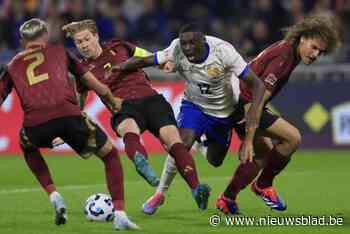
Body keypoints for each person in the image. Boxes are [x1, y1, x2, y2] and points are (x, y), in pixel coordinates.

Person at [113, 23, 266, 215]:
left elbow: (257, 85)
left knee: (215, 160)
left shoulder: (223, 52)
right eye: (184, 44)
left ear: (203, 40)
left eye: (192, 43)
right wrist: (119, 67)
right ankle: (159, 194)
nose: (187, 48)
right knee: (179, 145)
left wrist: (253, 112)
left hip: (224, 113)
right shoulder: (176, 48)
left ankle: (201, 144)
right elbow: (146, 60)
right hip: (194, 106)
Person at [0, 18, 138, 230]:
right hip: (69, 115)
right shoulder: (60, 51)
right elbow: (91, 81)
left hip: (35, 123)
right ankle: (120, 213)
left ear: (22, 40)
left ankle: (54, 194)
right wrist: (111, 99)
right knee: (110, 155)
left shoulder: (12, 65)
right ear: (45, 35)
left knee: (27, 145)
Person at [62, 20, 211, 211]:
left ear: (96, 36)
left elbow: (146, 57)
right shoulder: (82, 70)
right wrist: (69, 124)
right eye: (78, 42)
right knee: (129, 129)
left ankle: (196, 189)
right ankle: (142, 162)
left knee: (174, 142)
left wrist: (166, 63)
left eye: (86, 39)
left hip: (151, 99)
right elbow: (79, 103)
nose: (83, 45)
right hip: (123, 106)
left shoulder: (119, 46)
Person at [215, 14, 340, 215]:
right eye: (314, 47)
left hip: (241, 101)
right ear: (303, 38)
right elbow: (259, 96)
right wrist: (248, 134)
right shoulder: (284, 57)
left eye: (321, 52)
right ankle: (263, 185)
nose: (316, 54)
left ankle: (227, 198)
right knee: (293, 138)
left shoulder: (288, 49)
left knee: (264, 155)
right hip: (245, 104)